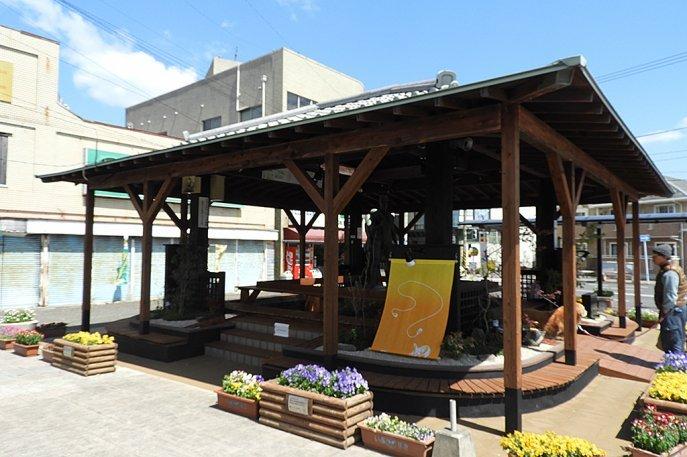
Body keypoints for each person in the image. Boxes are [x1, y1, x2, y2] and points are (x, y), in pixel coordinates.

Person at [653, 244, 687, 353]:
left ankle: (675, 367)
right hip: (677, 310)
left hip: (672, 312)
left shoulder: (670, 273)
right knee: (675, 338)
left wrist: (664, 313)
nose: (652, 258)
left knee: (673, 340)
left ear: (663, 256)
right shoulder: (671, 268)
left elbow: (670, 296)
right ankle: (675, 365)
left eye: (655, 256)